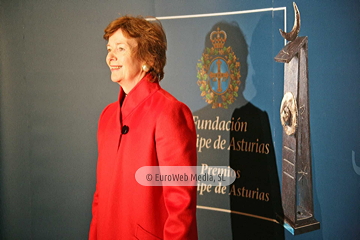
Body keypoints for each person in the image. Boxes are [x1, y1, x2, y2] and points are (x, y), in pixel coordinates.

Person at [89, 15, 198, 240]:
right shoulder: (107, 116)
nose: (111, 57)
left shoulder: (169, 111)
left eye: (121, 48)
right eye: (109, 49)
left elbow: (180, 206)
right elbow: (100, 196)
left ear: (147, 58)